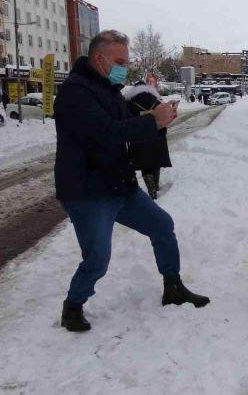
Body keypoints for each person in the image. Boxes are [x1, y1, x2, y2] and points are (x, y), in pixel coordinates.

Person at [54, 30, 209, 333]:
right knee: (98, 259)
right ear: (99, 59)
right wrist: (152, 120)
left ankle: (173, 286)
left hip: (119, 185)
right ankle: (73, 306)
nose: (125, 67)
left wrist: (159, 123)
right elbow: (106, 133)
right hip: (87, 192)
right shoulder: (75, 93)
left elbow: (128, 130)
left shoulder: (109, 89)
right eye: (120, 61)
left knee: (162, 226)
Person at [123, 82, 173, 200]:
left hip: (140, 139)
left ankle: (152, 192)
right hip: (157, 137)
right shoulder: (156, 99)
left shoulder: (129, 102)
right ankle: (156, 186)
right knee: (156, 163)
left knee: (145, 165)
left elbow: (126, 121)